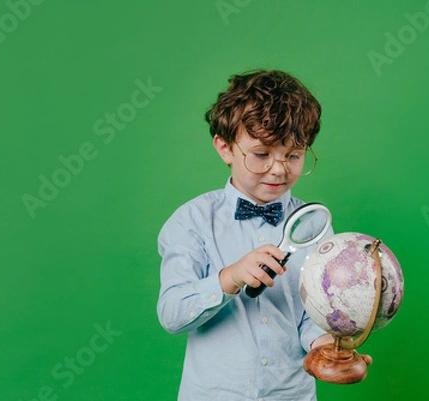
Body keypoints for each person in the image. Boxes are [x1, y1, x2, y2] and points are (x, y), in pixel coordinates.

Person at [156, 70, 370, 400]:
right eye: (261, 154)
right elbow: (172, 314)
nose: (279, 169)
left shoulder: (313, 226)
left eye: (294, 155)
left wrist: (326, 348)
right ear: (225, 148)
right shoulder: (191, 221)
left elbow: (311, 316)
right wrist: (230, 277)